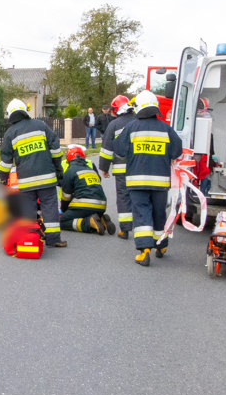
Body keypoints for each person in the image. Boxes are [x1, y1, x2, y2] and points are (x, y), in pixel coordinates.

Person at [113, 90, 183, 267]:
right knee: (159, 213)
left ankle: (144, 251)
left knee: (142, 214)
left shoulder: (131, 127)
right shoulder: (166, 128)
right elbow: (177, 151)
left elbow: (119, 150)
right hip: (160, 183)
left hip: (137, 181)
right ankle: (161, 246)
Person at [0, 98, 67, 247]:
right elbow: (55, 150)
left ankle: (31, 239)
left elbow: (5, 162)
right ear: (25, 111)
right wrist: (58, 169)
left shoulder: (10, 133)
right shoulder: (41, 126)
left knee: (28, 208)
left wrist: (3, 179)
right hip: (47, 177)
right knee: (49, 206)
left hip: (25, 181)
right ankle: (54, 240)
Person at [98, 95, 136, 239]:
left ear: (116, 109)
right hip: (138, 168)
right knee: (139, 197)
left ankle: (125, 230)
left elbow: (107, 149)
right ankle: (142, 227)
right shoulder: (139, 122)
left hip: (121, 169)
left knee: (123, 197)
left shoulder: (114, 125)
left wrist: (104, 168)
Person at [60, 145, 116, 235]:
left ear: (69, 159)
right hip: (102, 206)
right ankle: (100, 219)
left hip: (84, 205)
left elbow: (66, 196)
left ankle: (89, 223)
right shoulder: (91, 170)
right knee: (87, 213)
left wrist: (65, 210)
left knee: (62, 222)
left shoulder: (70, 171)